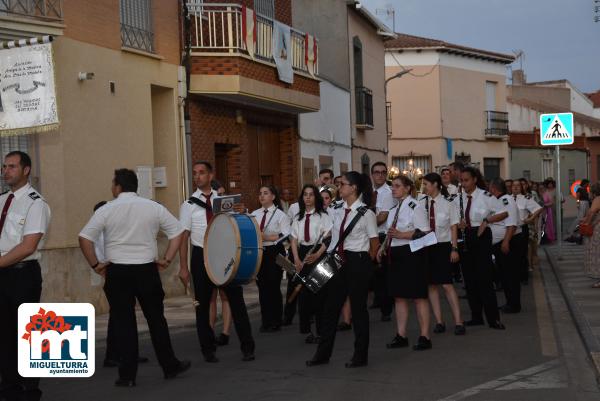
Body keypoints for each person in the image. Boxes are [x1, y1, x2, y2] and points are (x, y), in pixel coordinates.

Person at [79, 168, 190, 387]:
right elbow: (177, 233)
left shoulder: (107, 210)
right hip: (146, 270)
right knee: (156, 320)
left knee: (124, 323)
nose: (111, 188)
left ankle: (127, 376)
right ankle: (169, 366)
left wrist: (96, 265)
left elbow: (84, 238)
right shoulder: (153, 207)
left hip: (118, 272)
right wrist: (166, 259)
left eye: (113, 184)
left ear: (118, 186)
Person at [178, 161, 255, 363]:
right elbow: (183, 237)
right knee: (202, 306)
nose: (197, 176)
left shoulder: (223, 201)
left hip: (223, 254)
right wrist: (183, 267)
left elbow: (235, 224)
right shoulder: (188, 205)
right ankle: (208, 349)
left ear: (210, 176)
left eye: (202, 173)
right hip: (201, 256)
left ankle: (248, 347)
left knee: (236, 301)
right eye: (194, 173)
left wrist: (240, 210)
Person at [306, 172, 378, 368]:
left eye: (343, 184)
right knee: (330, 309)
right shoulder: (337, 210)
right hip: (337, 261)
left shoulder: (367, 213)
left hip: (357, 261)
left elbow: (374, 244)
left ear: (353, 188)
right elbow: (333, 237)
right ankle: (322, 354)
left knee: (358, 310)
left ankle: (360, 355)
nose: (339, 187)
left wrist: (364, 264)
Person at [0, 151, 51, 401]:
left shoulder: (35, 203)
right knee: (4, 334)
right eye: (4, 166)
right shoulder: (1, 200)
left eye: (12, 166)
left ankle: (30, 390)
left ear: (26, 170)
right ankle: (9, 386)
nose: (6, 171)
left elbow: (28, 245)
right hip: (2, 274)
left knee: (27, 335)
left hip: (23, 275)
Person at [380, 175, 433, 351]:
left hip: (412, 253)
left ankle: (425, 336)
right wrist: (383, 247)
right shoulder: (394, 209)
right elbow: (390, 232)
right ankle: (401, 334)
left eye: (397, 186)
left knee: (418, 296)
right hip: (395, 253)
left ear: (408, 188)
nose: (393, 189)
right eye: (392, 186)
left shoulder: (414, 206)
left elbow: (425, 232)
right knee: (399, 296)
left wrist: (401, 235)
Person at [95, 200, 149, 368]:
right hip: (114, 274)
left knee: (121, 315)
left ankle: (124, 353)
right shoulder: (99, 233)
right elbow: (102, 256)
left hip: (119, 273)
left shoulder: (107, 231)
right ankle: (117, 355)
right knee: (120, 316)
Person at [458, 167, 506, 330]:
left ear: (474, 180)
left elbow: (503, 213)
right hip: (465, 236)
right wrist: (460, 223)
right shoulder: (459, 197)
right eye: (462, 180)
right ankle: (476, 316)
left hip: (481, 235)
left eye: (466, 180)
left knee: (484, 279)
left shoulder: (485, 195)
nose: (463, 184)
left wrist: (486, 220)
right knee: (470, 280)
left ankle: (494, 319)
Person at [420, 173, 465, 336]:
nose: (424, 187)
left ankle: (459, 321)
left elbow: (453, 227)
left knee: (446, 284)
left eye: (426, 184)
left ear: (435, 185)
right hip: (426, 246)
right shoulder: (421, 203)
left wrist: (454, 248)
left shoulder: (448, 204)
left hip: (443, 246)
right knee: (431, 285)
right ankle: (439, 321)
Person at [290, 185, 333, 343]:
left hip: (318, 254)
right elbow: (293, 239)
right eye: (305, 195)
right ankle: (307, 331)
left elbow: (328, 238)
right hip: (302, 254)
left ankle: (321, 331)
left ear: (316, 197)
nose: (307, 197)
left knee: (320, 295)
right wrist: (296, 258)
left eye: (311, 195)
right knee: (305, 296)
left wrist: (317, 255)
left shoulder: (323, 216)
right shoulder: (297, 217)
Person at [252, 186, 290, 332]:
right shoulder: (254, 214)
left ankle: (276, 319)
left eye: (265, 193)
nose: (262, 196)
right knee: (262, 286)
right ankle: (265, 320)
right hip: (260, 251)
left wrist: (267, 237)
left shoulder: (280, 215)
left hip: (275, 251)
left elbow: (285, 235)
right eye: (260, 193)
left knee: (274, 285)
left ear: (273, 197)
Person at [488, 179, 521, 314]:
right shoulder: (499, 200)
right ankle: (509, 302)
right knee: (505, 274)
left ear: (495, 189)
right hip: (502, 242)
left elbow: (512, 224)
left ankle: (514, 304)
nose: (489, 190)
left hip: (509, 241)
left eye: (490, 188)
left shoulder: (507, 200)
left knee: (510, 275)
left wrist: (506, 242)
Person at [370, 162, 395, 321]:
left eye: (383, 172)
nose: (380, 175)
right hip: (370, 236)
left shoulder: (389, 192)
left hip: (382, 236)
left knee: (384, 273)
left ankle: (386, 310)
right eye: (377, 172)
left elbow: (383, 216)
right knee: (374, 274)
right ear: (372, 175)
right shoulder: (367, 192)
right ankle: (378, 300)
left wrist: (365, 225)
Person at [512, 180, 543, 285]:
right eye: (513, 186)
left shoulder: (526, 198)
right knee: (512, 254)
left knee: (522, 254)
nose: (515, 187)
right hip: (509, 230)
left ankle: (523, 277)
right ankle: (514, 276)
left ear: (521, 187)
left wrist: (531, 219)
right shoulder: (507, 198)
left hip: (521, 229)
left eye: (518, 186)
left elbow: (538, 209)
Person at [582, 182, 600, 288]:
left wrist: (586, 223)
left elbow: (591, 213)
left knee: (597, 253)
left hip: (598, 229)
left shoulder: (597, 199)